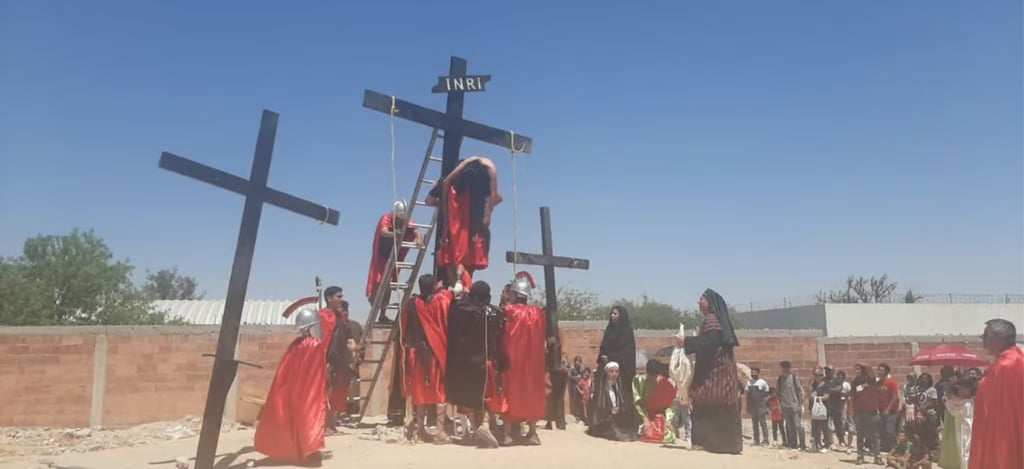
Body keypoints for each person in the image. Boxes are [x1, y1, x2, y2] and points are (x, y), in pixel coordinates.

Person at [254, 286, 343, 466]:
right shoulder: (314, 345)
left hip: (296, 391)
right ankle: (309, 451)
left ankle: (298, 450)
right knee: (311, 417)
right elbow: (315, 371)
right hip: (309, 392)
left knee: (297, 418)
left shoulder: (296, 344)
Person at [681, 288, 742, 454]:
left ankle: (711, 443)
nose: (699, 301)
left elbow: (709, 342)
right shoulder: (714, 320)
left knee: (707, 398)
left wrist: (685, 342)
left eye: (702, 298)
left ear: (710, 303)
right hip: (718, 369)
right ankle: (723, 444)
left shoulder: (712, 320)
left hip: (716, 372)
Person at [426, 156, 501, 289]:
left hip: (453, 231)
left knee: (450, 264)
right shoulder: (482, 184)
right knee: (468, 266)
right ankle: (465, 289)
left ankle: (459, 290)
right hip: (474, 232)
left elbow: (429, 201)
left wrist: (445, 204)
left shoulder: (447, 183)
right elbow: (498, 198)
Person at [444, 281, 503, 448]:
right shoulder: (491, 312)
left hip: (461, 364)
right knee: (489, 397)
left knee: (466, 398)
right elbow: (499, 335)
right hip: (485, 362)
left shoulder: (456, 309)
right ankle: (484, 425)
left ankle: (477, 429)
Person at [400, 274, 453, 444]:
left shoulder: (412, 304)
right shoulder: (440, 301)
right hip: (434, 353)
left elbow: (405, 326)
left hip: (415, 354)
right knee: (440, 393)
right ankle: (439, 432)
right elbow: (452, 294)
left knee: (420, 392)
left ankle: (420, 430)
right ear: (433, 287)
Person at [500, 272, 548, 444]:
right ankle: (533, 432)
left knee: (508, 392)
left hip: (512, 361)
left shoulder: (508, 311)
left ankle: (507, 434)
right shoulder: (538, 314)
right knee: (532, 393)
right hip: (534, 363)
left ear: (515, 294)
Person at [969, 318, 1023, 469]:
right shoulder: (1011, 362)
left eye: (985, 335)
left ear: (999, 338)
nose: (982, 338)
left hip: (1004, 443)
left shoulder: (1006, 367)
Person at [366, 200, 423, 324]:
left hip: (395, 258)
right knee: (378, 284)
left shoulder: (407, 220)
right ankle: (374, 304)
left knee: (389, 286)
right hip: (382, 257)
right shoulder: (386, 218)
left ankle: (382, 314)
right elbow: (383, 231)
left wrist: (419, 239)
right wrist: (395, 234)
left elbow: (416, 230)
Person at [596, 306, 637, 419]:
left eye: (615, 314)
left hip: (621, 370)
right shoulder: (609, 330)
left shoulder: (626, 331)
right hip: (606, 368)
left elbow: (627, 352)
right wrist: (603, 357)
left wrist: (612, 357)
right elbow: (603, 347)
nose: (612, 316)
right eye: (612, 313)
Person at [585, 361, 638, 441]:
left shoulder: (619, 387)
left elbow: (624, 404)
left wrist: (620, 409)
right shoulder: (601, 390)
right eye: (611, 371)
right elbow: (598, 409)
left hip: (618, 420)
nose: (614, 374)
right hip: (604, 421)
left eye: (616, 371)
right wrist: (610, 411)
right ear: (607, 373)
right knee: (617, 434)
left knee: (631, 433)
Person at [633, 359, 677, 444]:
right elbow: (636, 402)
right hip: (642, 414)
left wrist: (668, 421)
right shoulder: (638, 380)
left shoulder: (665, 384)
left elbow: (672, 404)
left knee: (667, 436)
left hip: (660, 416)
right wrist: (644, 418)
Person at [326, 299, 352, 430]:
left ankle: (331, 424)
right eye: (338, 296)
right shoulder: (326, 317)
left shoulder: (341, 320)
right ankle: (326, 426)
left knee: (337, 393)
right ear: (329, 298)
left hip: (340, 362)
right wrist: (328, 361)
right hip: (331, 362)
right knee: (328, 393)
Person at [939, 378, 975, 469]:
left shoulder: (967, 403)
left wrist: (947, 402)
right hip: (961, 428)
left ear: (968, 390)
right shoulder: (965, 402)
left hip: (965, 430)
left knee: (964, 451)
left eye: (962, 388)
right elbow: (956, 402)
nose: (959, 390)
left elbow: (955, 411)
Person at [852, 363, 883, 465]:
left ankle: (877, 456)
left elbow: (872, 372)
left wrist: (863, 365)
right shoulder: (855, 382)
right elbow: (853, 396)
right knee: (860, 435)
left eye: (858, 369)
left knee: (875, 435)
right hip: (859, 413)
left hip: (872, 413)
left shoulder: (874, 381)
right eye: (855, 369)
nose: (856, 371)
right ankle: (860, 456)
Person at [669, 323, 693, 445]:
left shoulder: (688, 352)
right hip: (675, 386)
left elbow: (689, 369)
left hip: (685, 386)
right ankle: (674, 434)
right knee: (673, 414)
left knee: (686, 415)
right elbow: (672, 369)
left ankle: (689, 436)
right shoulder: (675, 352)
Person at [777, 360, 804, 449]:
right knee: (789, 426)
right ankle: (793, 444)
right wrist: (780, 405)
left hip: (794, 405)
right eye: (783, 368)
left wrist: (800, 404)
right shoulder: (780, 379)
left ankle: (802, 444)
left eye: (786, 368)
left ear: (789, 368)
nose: (784, 370)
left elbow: (799, 391)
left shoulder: (793, 378)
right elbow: (778, 393)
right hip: (785, 406)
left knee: (798, 426)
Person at [878, 363, 901, 452]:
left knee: (890, 430)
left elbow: (895, 396)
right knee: (882, 430)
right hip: (881, 410)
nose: (879, 372)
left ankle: (894, 448)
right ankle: (885, 447)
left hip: (892, 411)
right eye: (879, 370)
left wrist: (888, 408)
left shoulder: (891, 382)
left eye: (882, 370)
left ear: (886, 372)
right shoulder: (878, 383)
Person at [809, 367, 833, 453]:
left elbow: (827, 396)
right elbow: (810, 394)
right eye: (815, 375)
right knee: (815, 427)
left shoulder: (826, 385)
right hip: (815, 408)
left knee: (824, 427)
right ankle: (817, 444)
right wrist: (810, 387)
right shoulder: (814, 385)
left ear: (822, 376)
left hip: (824, 409)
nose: (816, 377)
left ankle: (827, 444)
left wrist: (818, 398)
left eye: (818, 375)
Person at [747, 366, 770, 447]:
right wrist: (748, 407)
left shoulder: (762, 382)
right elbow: (748, 395)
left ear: (758, 373)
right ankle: (756, 440)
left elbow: (767, 393)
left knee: (763, 423)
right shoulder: (749, 382)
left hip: (761, 405)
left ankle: (766, 440)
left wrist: (765, 404)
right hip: (753, 406)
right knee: (754, 424)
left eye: (754, 372)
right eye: (752, 372)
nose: (753, 374)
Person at [545, 357, 569, 431]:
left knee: (551, 406)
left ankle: (550, 423)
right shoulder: (563, 371)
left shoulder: (553, 370)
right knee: (558, 406)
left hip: (555, 389)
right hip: (558, 389)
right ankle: (560, 424)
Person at [568, 356, 585, 422]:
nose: (577, 362)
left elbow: (584, 376)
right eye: (576, 361)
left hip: (581, 386)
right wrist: (575, 377)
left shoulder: (582, 369)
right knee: (575, 400)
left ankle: (581, 415)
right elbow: (569, 376)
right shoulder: (572, 368)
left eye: (579, 361)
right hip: (574, 386)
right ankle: (576, 414)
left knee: (581, 400)